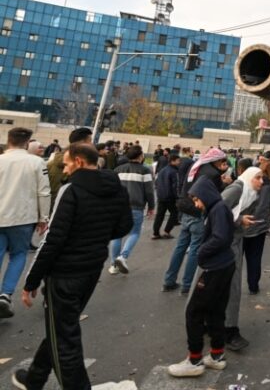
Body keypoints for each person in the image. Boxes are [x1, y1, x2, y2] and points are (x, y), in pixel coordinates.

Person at [12, 143, 132, 389]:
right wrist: (96, 237)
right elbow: (124, 226)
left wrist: (31, 280)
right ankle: (35, 378)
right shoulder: (116, 189)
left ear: (78, 161)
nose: (65, 170)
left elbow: (52, 240)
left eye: (66, 164)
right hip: (90, 268)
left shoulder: (72, 190)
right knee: (61, 328)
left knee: (65, 340)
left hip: (64, 273)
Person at [168, 178, 236, 378]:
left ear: (206, 195)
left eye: (197, 199)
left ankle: (194, 359)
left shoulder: (218, 209)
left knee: (194, 312)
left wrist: (200, 253)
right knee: (215, 311)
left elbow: (221, 237)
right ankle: (216, 355)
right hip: (223, 265)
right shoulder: (217, 208)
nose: (196, 204)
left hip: (216, 268)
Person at [163, 148, 231, 293]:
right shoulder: (212, 174)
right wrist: (225, 183)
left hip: (185, 208)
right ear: (216, 160)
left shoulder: (196, 166)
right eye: (221, 161)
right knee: (195, 249)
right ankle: (187, 285)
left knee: (180, 246)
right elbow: (215, 194)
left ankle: (169, 280)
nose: (222, 164)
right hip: (197, 211)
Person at [0, 128, 50, 319]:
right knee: (18, 254)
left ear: (8, 140)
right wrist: (43, 217)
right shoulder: (37, 162)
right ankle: (6, 294)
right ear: (27, 142)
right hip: (23, 218)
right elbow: (44, 191)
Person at [221, 166, 270, 351]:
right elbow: (218, 211)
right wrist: (239, 220)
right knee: (228, 287)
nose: (261, 181)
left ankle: (222, 326)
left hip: (233, 242)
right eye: (258, 177)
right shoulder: (237, 189)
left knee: (229, 287)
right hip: (222, 244)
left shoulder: (250, 194)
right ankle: (228, 331)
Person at [109, 145, 155, 275]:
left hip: (118, 206)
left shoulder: (117, 170)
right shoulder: (145, 171)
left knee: (117, 235)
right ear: (140, 156)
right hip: (136, 206)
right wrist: (151, 207)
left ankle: (113, 266)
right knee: (134, 233)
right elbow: (149, 191)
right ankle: (123, 257)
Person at [48, 127, 92, 207]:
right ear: (82, 142)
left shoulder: (51, 162)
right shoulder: (84, 164)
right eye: (90, 141)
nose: (91, 144)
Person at [153, 154, 181, 240]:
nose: (179, 162)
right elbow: (175, 186)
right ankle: (167, 231)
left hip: (161, 196)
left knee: (159, 215)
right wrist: (177, 197)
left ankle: (156, 233)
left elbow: (156, 182)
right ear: (173, 161)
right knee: (175, 213)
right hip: (170, 197)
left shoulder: (162, 170)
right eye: (178, 160)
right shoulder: (174, 171)